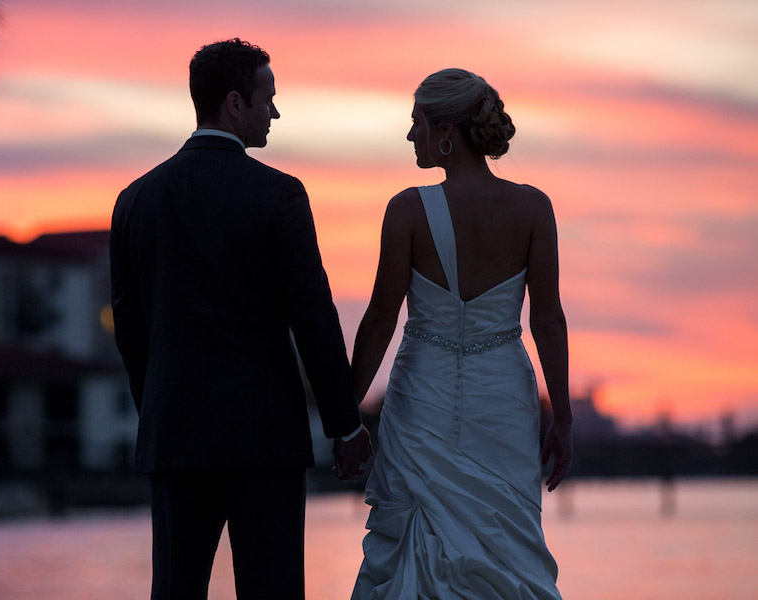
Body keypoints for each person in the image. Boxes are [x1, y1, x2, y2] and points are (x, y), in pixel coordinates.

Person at [110, 38, 372, 600]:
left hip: (174, 436)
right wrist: (345, 427)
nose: (274, 112)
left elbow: (131, 335)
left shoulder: (135, 200)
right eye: (267, 98)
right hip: (264, 440)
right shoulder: (278, 195)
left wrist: (158, 410)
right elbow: (313, 316)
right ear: (234, 104)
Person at [350, 68, 573, 599]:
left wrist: (343, 416)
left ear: (446, 131)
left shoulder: (406, 210)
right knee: (507, 547)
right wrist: (562, 417)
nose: (411, 136)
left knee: (411, 544)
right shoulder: (533, 208)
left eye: (417, 123)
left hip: (419, 399)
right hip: (502, 402)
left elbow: (381, 319)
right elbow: (548, 320)